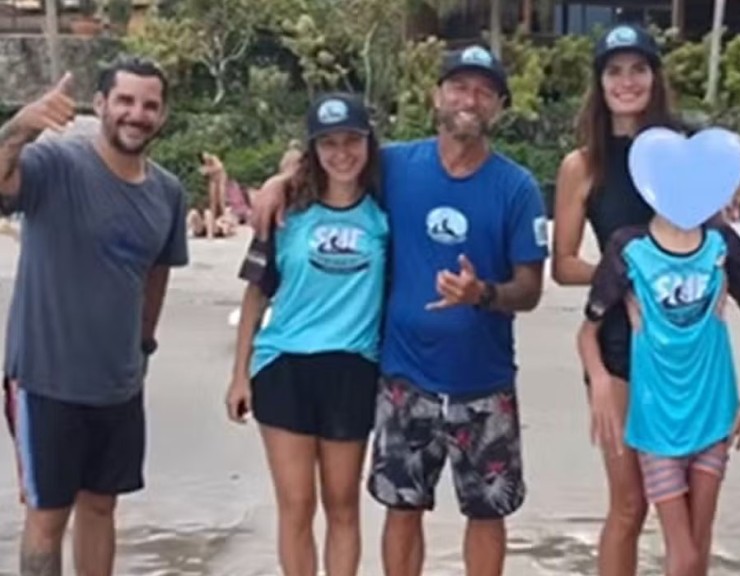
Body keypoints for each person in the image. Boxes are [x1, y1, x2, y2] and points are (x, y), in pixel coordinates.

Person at [250, 44, 548, 576]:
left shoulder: (518, 187)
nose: (470, 99)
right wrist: (282, 178)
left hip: (485, 380)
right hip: (404, 379)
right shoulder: (395, 166)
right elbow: (334, 155)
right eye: (459, 87)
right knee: (402, 509)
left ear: (500, 107)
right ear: (437, 96)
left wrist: (482, 294)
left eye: (484, 91)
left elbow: (530, 288)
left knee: (487, 513)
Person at [0, 55, 189, 576]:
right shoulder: (55, 164)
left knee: (102, 506)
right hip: (45, 378)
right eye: (125, 100)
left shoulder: (167, 192)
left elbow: (157, 273)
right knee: (47, 515)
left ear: (162, 115)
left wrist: (144, 347)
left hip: (118, 384)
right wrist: (19, 129)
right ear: (101, 104)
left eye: (149, 105)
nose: (137, 114)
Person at [227, 92, 387, 576]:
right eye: (328, 143)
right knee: (296, 504)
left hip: (353, 368)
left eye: (351, 141)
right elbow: (256, 295)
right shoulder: (286, 213)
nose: (342, 154)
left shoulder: (385, 214)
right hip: (283, 366)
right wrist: (239, 376)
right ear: (313, 150)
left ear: (368, 143)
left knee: (342, 504)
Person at [549, 23, 680, 576]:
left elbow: (714, 247)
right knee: (630, 502)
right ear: (599, 84)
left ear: (655, 77)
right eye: (614, 71)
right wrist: (624, 276)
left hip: (683, 345)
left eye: (638, 69)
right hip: (616, 345)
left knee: (685, 507)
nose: (627, 82)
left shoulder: (683, 153)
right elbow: (563, 264)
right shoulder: (582, 166)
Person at [579, 200, 740, 576]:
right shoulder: (629, 249)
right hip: (656, 423)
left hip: (713, 414)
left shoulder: (721, 245)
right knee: (682, 550)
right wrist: (599, 380)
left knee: (697, 542)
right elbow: (587, 332)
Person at [187, 152, 239, 238]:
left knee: (218, 204)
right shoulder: (209, 175)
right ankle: (186, 231)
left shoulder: (214, 162)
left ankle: (211, 232)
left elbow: (219, 167)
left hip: (218, 223)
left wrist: (208, 170)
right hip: (208, 221)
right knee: (201, 211)